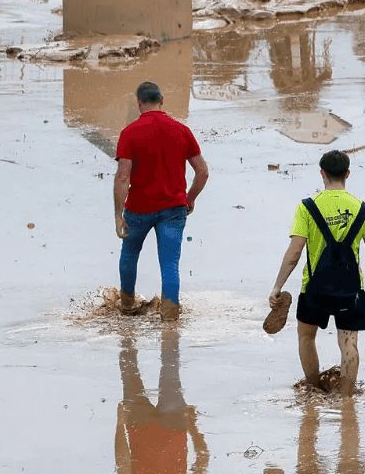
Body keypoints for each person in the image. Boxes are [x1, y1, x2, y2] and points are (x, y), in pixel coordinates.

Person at [268, 150, 365, 397]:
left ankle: (313, 389)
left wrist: (277, 286)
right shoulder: (362, 209)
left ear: (322, 173)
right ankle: (346, 397)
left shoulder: (307, 208)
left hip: (314, 288)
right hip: (351, 289)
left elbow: (294, 252)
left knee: (306, 337)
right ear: (348, 174)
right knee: (349, 343)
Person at [115, 81, 210, 322]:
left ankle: (126, 306)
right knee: (170, 263)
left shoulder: (130, 133)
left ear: (139, 104)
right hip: (173, 209)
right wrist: (190, 198)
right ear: (162, 101)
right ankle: (169, 316)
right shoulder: (180, 130)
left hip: (138, 209)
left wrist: (118, 214)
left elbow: (123, 176)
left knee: (129, 255)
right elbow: (202, 172)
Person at [114, 329, 209, 473]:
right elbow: (122, 464)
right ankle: (129, 325)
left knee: (170, 364)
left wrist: (193, 428)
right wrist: (120, 424)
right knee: (129, 368)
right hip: (146, 426)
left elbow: (202, 461)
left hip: (168, 426)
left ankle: (163, 324)